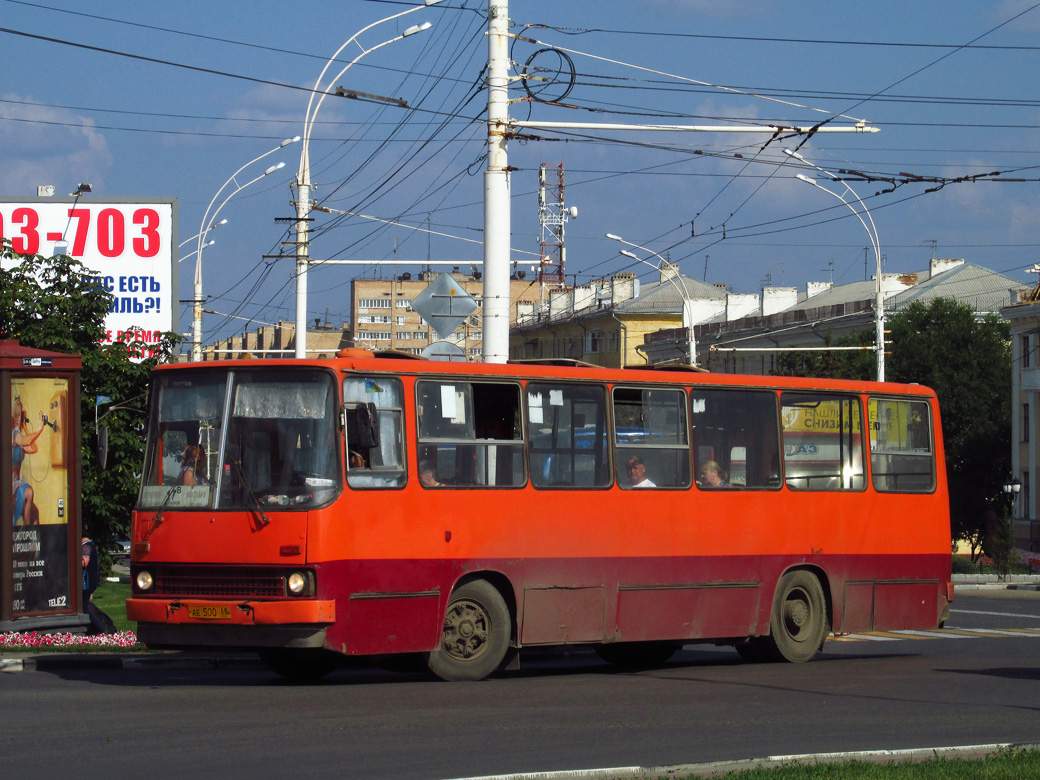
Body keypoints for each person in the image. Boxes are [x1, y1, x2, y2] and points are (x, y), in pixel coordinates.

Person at [12, 397, 44, 526]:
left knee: (34, 511)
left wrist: (25, 427)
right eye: (17, 415)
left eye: (21, 415)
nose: (18, 418)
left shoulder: (19, 434)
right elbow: (25, 441)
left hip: (19, 481)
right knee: (29, 492)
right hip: (11, 483)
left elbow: (33, 448)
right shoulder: (13, 434)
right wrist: (39, 429)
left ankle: (30, 532)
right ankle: (27, 528)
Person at [81, 529, 107, 635]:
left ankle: (99, 629)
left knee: (83, 608)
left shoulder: (86, 546)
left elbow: (84, 562)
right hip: (89, 582)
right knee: (84, 606)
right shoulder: (90, 544)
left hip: (86, 582)